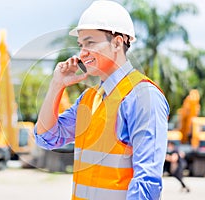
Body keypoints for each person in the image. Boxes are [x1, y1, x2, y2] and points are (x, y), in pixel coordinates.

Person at [34, 1, 169, 199]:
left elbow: (146, 182)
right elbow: (46, 138)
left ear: (117, 42)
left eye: (90, 43)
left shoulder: (143, 97)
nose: (82, 53)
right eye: (81, 45)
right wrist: (57, 85)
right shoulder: (89, 99)